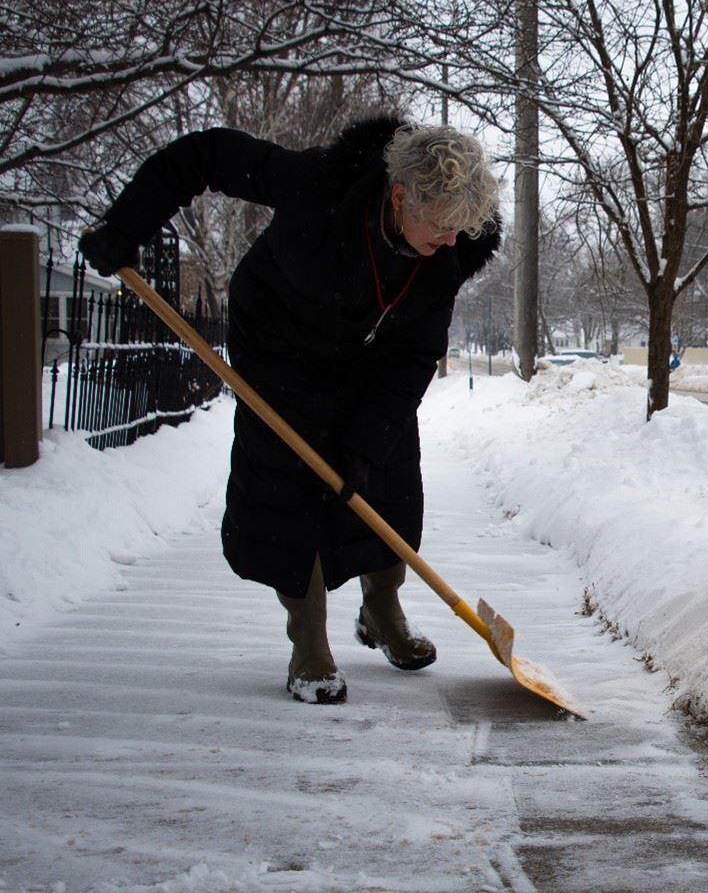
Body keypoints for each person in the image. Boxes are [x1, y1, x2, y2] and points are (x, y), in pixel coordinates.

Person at [79, 117, 502, 704]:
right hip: (278, 341)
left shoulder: (445, 258)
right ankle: (308, 640)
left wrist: (361, 449)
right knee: (292, 477)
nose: (453, 239)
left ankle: (382, 610)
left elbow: (412, 361)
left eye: (463, 227)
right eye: (444, 224)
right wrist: (127, 227)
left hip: (370, 358)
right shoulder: (320, 185)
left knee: (389, 470)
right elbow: (206, 155)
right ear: (401, 195)